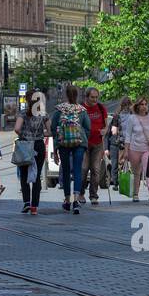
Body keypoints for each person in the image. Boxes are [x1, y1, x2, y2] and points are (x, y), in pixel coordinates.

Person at [51, 85, 90, 214]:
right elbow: (87, 128)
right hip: (79, 143)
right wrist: (84, 143)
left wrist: (56, 147)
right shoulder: (82, 110)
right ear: (77, 95)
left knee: (66, 171)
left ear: (65, 95)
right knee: (78, 170)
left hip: (63, 143)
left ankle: (67, 200)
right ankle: (76, 200)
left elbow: (53, 129)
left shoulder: (59, 110)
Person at [14, 92, 49, 215]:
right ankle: (34, 207)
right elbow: (49, 131)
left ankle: (26, 203)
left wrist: (24, 136)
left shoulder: (23, 113)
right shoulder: (43, 113)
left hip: (25, 145)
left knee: (24, 174)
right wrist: (40, 134)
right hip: (38, 145)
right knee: (37, 175)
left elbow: (17, 129)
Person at [123, 98, 149, 202]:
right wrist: (125, 151)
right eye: (141, 104)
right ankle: (135, 194)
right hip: (134, 149)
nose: (144, 106)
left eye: (146, 104)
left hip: (148, 148)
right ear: (137, 106)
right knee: (136, 172)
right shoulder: (132, 118)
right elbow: (128, 135)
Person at [82, 87, 110, 205]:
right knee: (83, 169)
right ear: (86, 97)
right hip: (83, 143)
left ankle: (93, 195)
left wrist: (105, 130)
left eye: (96, 97)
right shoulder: (81, 108)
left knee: (96, 169)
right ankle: (81, 193)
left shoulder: (101, 107)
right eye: (92, 97)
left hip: (98, 143)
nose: (95, 100)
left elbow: (106, 124)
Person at [108, 97, 132, 189]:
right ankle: (129, 181)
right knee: (129, 162)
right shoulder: (133, 114)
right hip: (131, 142)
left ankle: (116, 183)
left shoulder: (117, 115)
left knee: (116, 163)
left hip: (119, 143)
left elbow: (113, 131)